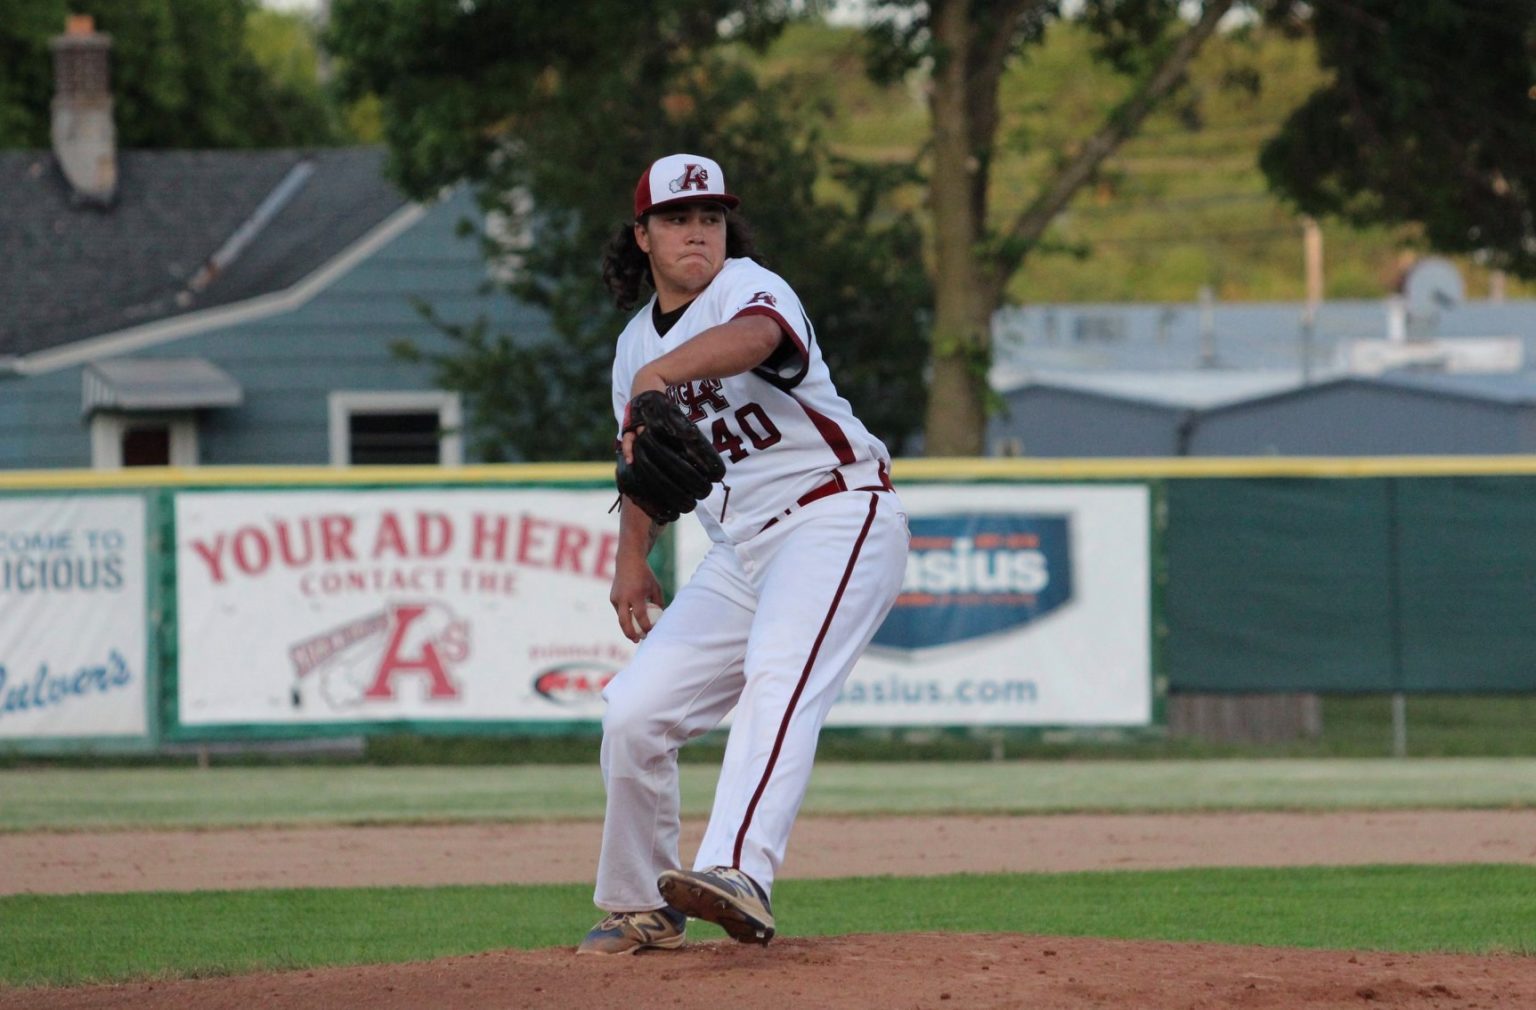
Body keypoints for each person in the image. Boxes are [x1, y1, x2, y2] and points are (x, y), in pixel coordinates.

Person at [577, 153, 910, 955]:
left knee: (779, 674)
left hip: (836, 515)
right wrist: (633, 556)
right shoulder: (631, 350)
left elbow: (759, 339)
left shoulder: (748, 288)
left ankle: (738, 870)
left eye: (712, 218)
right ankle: (643, 905)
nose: (698, 232)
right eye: (678, 219)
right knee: (634, 714)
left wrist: (663, 373)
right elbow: (643, 466)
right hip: (742, 551)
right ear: (643, 237)